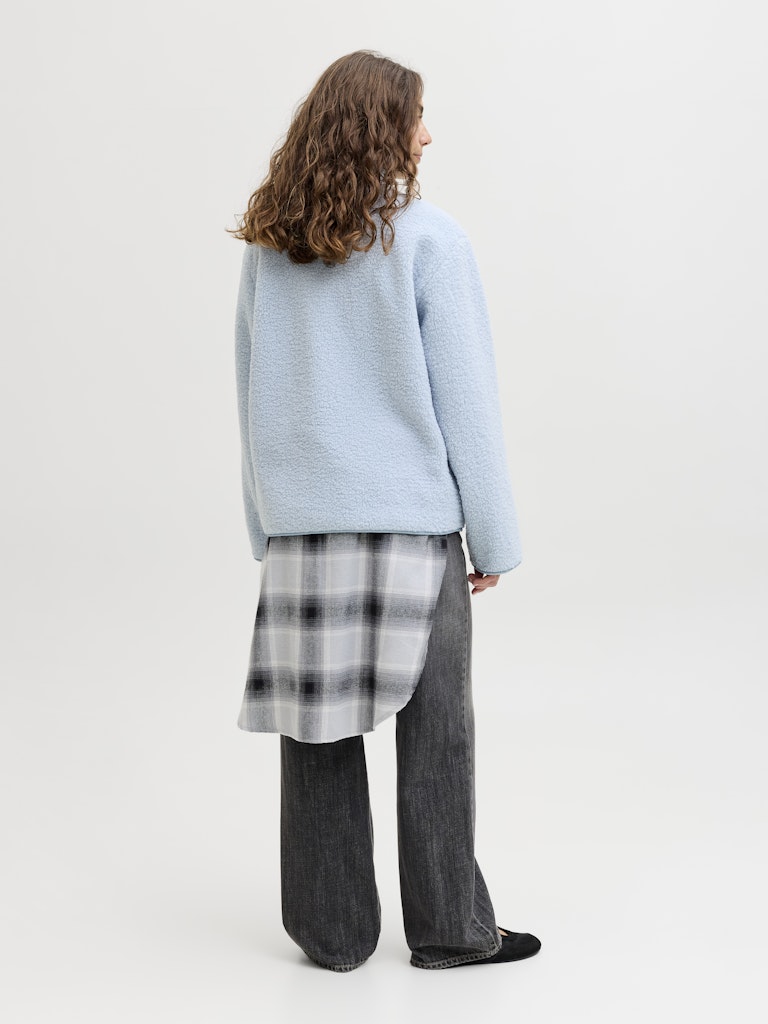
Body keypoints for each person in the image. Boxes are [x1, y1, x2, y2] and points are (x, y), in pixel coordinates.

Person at [227, 49, 541, 971]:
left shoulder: (271, 249)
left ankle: (332, 936)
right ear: (379, 127)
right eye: (416, 117)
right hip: (411, 531)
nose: (428, 135)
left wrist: (266, 522)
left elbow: (250, 392)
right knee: (437, 733)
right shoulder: (432, 240)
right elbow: (467, 403)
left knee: (314, 737)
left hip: (305, 536)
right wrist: (494, 535)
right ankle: (449, 931)